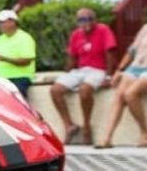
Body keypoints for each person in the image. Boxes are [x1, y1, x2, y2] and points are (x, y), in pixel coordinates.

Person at [97, 0, 147, 148]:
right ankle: (107, 138)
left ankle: (145, 132)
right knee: (120, 95)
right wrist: (119, 70)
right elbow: (132, 51)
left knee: (131, 94)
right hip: (135, 67)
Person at [49, 7, 117, 145]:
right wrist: (66, 73)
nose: (85, 22)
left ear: (95, 19)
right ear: (77, 21)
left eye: (89, 19)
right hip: (81, 70)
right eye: (81, 19)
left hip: (98, 70)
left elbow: (110, 54)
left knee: (85, 91)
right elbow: (72, 58)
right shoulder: (76, 34)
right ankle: (69, 125)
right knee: (55, 90)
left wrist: (109, 76)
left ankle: (86, 126)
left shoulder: (103, 30)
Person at [0, 9, 36, 98]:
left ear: (13, 22)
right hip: (0, 79)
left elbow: (26, 61)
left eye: (2, 22)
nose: (0, 25)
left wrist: (4, 59)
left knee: (15, 100)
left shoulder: (25, 38)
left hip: (19, 78)